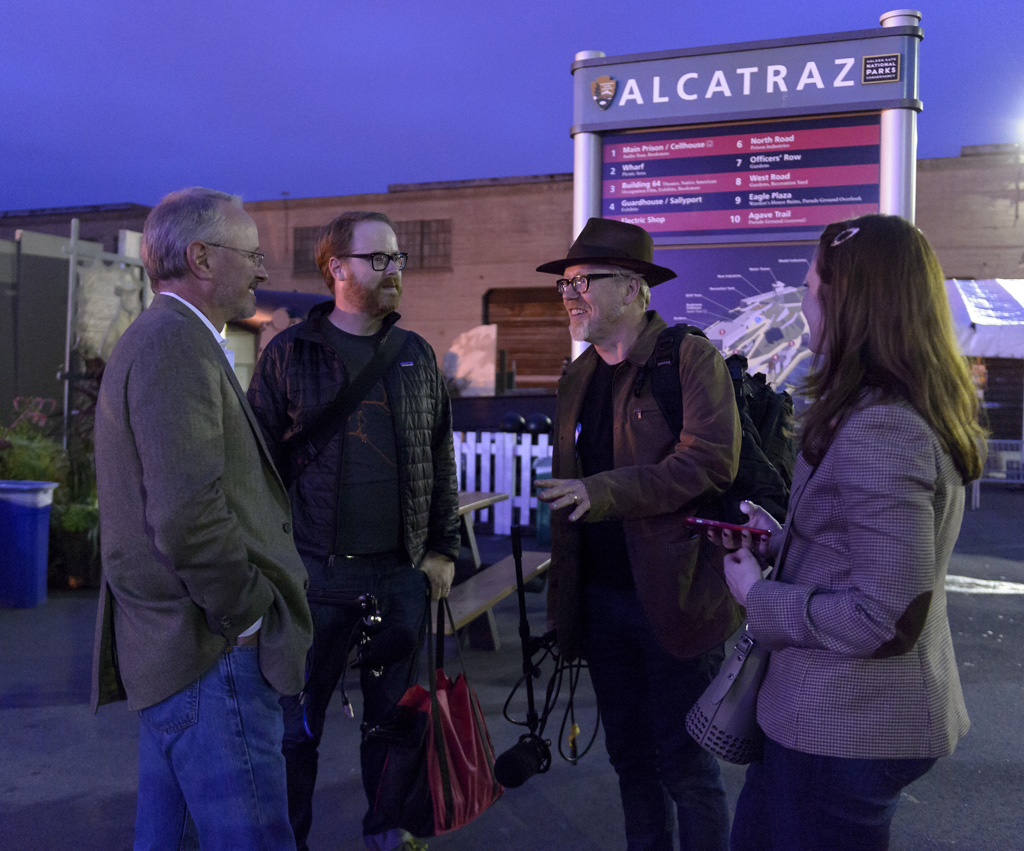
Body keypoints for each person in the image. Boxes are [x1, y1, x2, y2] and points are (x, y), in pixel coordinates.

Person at [719, 214, 985, 851]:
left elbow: (883, 614)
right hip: (846, 717)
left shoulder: (880, 429)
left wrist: (757, 593)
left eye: (811, 287)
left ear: (849, 303)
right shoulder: (892, 409)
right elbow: (867, 548)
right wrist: (782, 537)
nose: (803, 304)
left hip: (844, 724)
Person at [90, 187, 314, 850]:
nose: (264, 269)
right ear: (201, 257)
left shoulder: (170, 338)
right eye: (251, 253)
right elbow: (187, 513)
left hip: (181, 655)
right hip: (211, 658)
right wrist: (247, 618)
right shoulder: (175, 345)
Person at [246, 211, 460, 851]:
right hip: (316, 576)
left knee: (392, 723)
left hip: (400, 576)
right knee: (297, 728)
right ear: (336, 267)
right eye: (380, 260)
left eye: (398, 260)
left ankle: (385, 835)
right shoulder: (289, 354)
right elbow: (257, 469)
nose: (394, 271)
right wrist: (273, 564)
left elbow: (439, 457)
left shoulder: (416, 355)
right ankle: (292, 840)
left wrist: (443, 549)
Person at [534, 217, 743, 851]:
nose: (571, 295)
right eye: (565, 283)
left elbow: (710, 462)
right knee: (630, 764)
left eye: (584, 282)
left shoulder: (687, 358)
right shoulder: (578, 377)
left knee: (685, 767)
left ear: (633, 289)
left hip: (673, 600)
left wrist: (603, 492)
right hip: (602, 604)